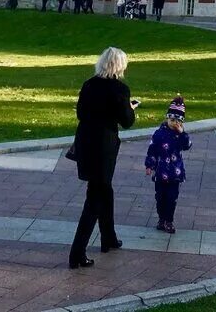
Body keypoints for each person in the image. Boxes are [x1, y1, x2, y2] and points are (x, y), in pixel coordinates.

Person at [68, 47, 138, 269]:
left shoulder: (89, 84)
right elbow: (126, 121)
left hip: (85, 141)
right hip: (103, 145)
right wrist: (129, 107)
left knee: (104, 190)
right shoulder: (119, 89)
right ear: (120, 66)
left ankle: (108, 237)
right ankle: (77, 252)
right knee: (95, 198)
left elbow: (80, 112)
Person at [144, 95, 191, 234]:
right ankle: (161, 218)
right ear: (167, 118)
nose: (174, 123)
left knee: (172, 198)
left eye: (177, 121)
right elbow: (152, 150)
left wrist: (183, 133)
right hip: (160, 172)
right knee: (160, 198)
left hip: (175, 174)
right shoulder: (159, 134)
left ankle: (169, 220)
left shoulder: (180, 135)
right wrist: (149, 165)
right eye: (172, 120)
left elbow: (187, 145)